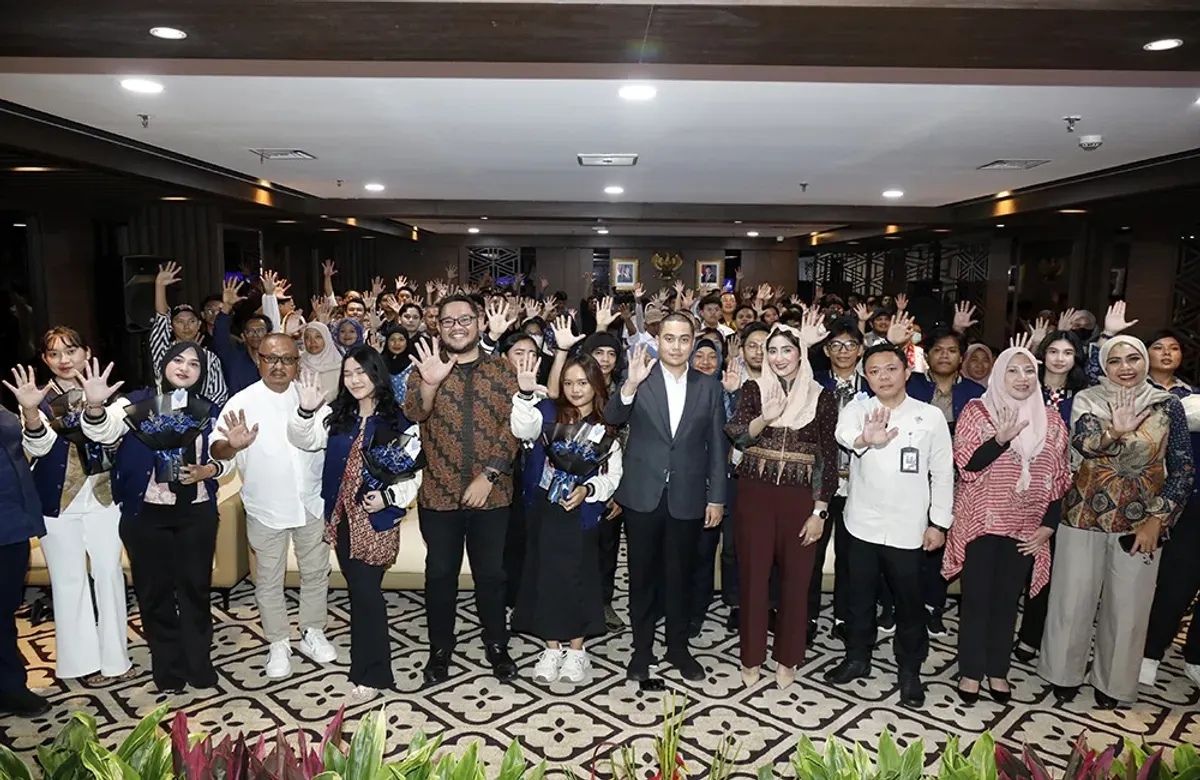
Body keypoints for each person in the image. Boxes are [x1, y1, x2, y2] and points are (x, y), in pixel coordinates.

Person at [1038, 335, 1194, 708]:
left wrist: (1158, 519)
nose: (1125, 367)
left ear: (1144, 362)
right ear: (1104, 366)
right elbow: (1084, 444)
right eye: (1116, 360)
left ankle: (1114, 682)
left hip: (1139, 523)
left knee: (1129, 607)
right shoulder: (1089, 400)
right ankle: (1063, 674)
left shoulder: (1167, 406)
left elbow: (1184, 469)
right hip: (1082, 516)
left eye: (1133, 359)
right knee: (1071, 601)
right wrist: (1115, 432)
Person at [80, 345, 226, 693]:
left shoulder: (208, 410)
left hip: (196, 511)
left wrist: (211, 467)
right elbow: (102, 431)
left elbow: (226, 455)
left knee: (195, 591)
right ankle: (168, 669)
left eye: (194, 364)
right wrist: (97, 406)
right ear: (163, 364)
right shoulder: (133, 403)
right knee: (154, 593)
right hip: (145, 514)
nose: (185, 368)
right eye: (178, 360)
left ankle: (198, 664)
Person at [288, 346, 423, 703]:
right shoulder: (337, 416)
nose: (355, 379)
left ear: (377, 373)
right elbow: (303, 438)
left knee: (366, 596)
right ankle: (368, 668)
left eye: (361, 372)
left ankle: (373, 673)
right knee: (360, 595)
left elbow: (413, 473)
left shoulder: (399, 420)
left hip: (376, 518)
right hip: (342, 518)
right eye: (348, 374)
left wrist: (389, 499)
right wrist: (305, 409)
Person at [826, 343, 954, 709]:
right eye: (875, 371)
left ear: (906, 372)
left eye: (891, 369)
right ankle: (857, 658)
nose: (883, 377)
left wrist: (938, 523)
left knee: (910, 604)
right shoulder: (859, 409)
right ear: (866, 376)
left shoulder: (928, 417)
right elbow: (844, 435)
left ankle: (910, 670)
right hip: (862, 523)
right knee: (858, 598)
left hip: (910, 528)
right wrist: (867, 439)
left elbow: (943, 474)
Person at [942, 347, 1071, 704]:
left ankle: (997, 669)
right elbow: (967, 463)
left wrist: (1048, 526)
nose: (1022, 378)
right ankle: (970, 670)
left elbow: (1059, 479)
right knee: (977, 601)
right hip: (981, 522)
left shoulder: (1052, 420)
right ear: (1000, 374)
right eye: (1012, 371)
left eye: (1029, 371)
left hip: (1027, 528)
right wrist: (1000, 439)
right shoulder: (978, 411)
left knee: (1006, 602)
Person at [605, 313, 728, 682]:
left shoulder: (709, 387)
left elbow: (717, 447)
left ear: (693, 343)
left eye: (684, 339)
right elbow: (612, 416)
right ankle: (641, 651)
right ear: (658, 341)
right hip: (643, 494)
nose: (676, 346)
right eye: (669, 339)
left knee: (680, 577)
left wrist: (717, 498)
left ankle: (677, 648)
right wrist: (629, 385)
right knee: (642, 578)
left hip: (688, 497)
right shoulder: (642, 379)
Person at [405, 295, 520, 684]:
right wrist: (430, 384)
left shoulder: (503, 370)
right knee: (440, 575)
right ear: (437, 326)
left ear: (480, 322)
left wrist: (489, 475)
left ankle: (496, 644)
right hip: (438, 492)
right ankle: (439, 648)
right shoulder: (424, 368)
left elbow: (515, 427)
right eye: (448, 320)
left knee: (491, 574)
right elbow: (416, 414)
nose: (457, 326)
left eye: (465, 319)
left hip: (493, 493)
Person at [210, 334, 337, 680]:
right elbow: (217, 451)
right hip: (266, 506)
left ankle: (312, 631)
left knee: (315, 573)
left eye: (287, 360)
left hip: (310, 502)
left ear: (298, 363)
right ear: (258, 360)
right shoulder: (242, 402)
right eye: (271, 359)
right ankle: (278, 641)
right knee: (268, 579)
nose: (279, 366)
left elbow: (325, 440)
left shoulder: (312, 397)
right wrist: (229, 446)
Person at [725, 315, 837, 689]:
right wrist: (764, 419)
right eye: (771, 350)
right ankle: (751, 655)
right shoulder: (754, 390)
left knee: (797, 581)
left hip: (799, 499)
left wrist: (820, 511)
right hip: (755, 495)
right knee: (753, 578)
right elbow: (738, 437)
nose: (778, 357)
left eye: (786, 349)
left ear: (801, 352)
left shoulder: (822, 396)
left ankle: (788, 658)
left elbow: (828, 458)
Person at [19, 329, 131, 684]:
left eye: (71, 351)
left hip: (104, 499)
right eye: (54, 354)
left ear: (86, 351)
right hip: (56, 504)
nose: (64, 360)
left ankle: (115, 660)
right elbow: (36, 448)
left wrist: (97, 403)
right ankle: (79, 662)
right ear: (45, 360)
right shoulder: (36, 397)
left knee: (109, 575)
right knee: (67, 582)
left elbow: (111, 436)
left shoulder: (110, 391)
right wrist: (31, 412)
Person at [510, 353, 623, 684]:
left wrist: (588, 489)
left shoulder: (605, 426)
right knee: (547, 576)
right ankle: (551, 648)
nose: (575, 389)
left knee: (580, 578)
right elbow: (523, 429)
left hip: (584, 511)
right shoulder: (548, 412)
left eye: (583, 383)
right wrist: (527, 395)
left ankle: (577, 652)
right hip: (547, 509)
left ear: (596, 385)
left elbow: (613, 475)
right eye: (569, 382)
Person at [1013, 330, 1088, 663]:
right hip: (1017, 487)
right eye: (1053, 351)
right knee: (1015, 565)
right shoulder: (1025, 389)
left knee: (1049, 565)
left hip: (1064, 489)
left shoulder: (1083, 398)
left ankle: (1032, 635)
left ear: (1076, 359)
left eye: (1068, 352)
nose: (1060, 358)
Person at [905, 326, 984, 636]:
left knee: (940, 544)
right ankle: (899, 604)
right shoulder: (912, 385)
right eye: (938, 350)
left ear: (960, 357)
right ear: (928, 354)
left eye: (951, 350)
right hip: (911, 475)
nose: (944, 355)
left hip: (955, 479)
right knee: (908, 542)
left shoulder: (975, 393)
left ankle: (932, 606)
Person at [1140, 330, 1200, 689]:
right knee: (1176, 583)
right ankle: (1150, 651)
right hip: (1167, 498)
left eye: (1173, 348)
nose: (1167, 353)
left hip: (1187, 494)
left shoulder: (1189, 393)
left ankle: (1195, 656)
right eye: (1158, 347)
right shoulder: (1136, 387)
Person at [812, 318, 869, 641]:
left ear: (860, 350)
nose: (843, 351)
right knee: (812, 553)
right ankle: (807, 617)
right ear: (826, 350)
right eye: (836, 345)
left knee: (852, 556)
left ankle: (844, 618)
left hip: (861, 482)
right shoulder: (817, 384)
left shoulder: (873, 383)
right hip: (820, 481)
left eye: (850, 345)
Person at [0, 385, 51, 716]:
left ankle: (9, 685)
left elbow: (34, 448)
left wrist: (31, 414)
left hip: (13, 523)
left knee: (5, 612)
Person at [149, 262, 228, 405]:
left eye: (191, 321)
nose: (186, 326)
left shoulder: (210, 358)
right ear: (171, 326)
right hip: (164, 416)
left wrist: (198, 411)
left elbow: (219, 395)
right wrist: (159, 286)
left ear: (199, 325)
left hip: (200, 420)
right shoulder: (164, 351)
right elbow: (161, 317)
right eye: (180, 321)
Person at [301, 322, 343, 402]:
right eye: (307, 337)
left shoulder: (339, 366)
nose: (312, 341)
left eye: (318, 336)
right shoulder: (298, 363)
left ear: (326, 338)